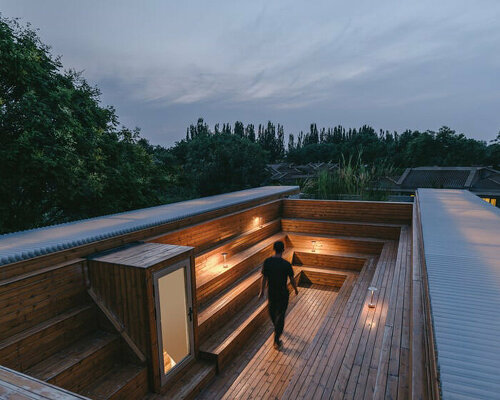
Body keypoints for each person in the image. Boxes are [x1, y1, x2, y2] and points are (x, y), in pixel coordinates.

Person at [258, 240, 298, 350]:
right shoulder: (286, 264)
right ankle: (277, 336)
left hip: (272, 292)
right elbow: (292, 279)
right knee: (280, 316)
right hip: (283, 293)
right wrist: (295, 289)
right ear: (283, 250)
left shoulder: (267, 262)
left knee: (272, 312)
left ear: (274, 249)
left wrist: (261, 291)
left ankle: (276, 338)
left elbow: (264, 278)